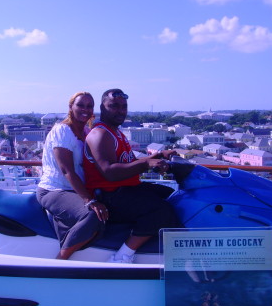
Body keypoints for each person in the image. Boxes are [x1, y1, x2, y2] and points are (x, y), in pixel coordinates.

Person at [83, 88, 182, 263]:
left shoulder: (115, 132)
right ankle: (123, 255)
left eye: (123, 106)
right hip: (110, 195)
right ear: (102, 108)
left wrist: (158, 156)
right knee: (162, 210)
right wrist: (146, 163)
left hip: (127, 187)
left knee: (173, 195)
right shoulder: (101, 134)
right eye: (114, 106)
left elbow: (128, 163)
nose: (120, 110)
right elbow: (109, 172)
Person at [37, 92, 107, 260]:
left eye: (89, 106)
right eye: (80, 105)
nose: (85, 109)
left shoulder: (85, 131)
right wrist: (89, 201)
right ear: (71, 107)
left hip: (74, 190)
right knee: (92, 214)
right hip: (53, 189)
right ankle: (60, 260)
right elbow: (67, 170)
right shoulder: (62, 131)